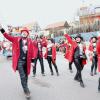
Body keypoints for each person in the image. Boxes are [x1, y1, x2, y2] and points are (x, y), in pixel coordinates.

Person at [0, 25, 33, 99]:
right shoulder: (16, 39)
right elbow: (7, 36)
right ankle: (26, 91)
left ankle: (25, 87)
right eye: (23, 32)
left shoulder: (30, 41)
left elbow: (32, 51)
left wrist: (33, 61)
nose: (24, 33)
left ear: (27, 34)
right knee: (22, 76)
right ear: (21, 33)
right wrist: (1, 29)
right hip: (20, 61)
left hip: (27, 61)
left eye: (26, 32)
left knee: (26, 76)